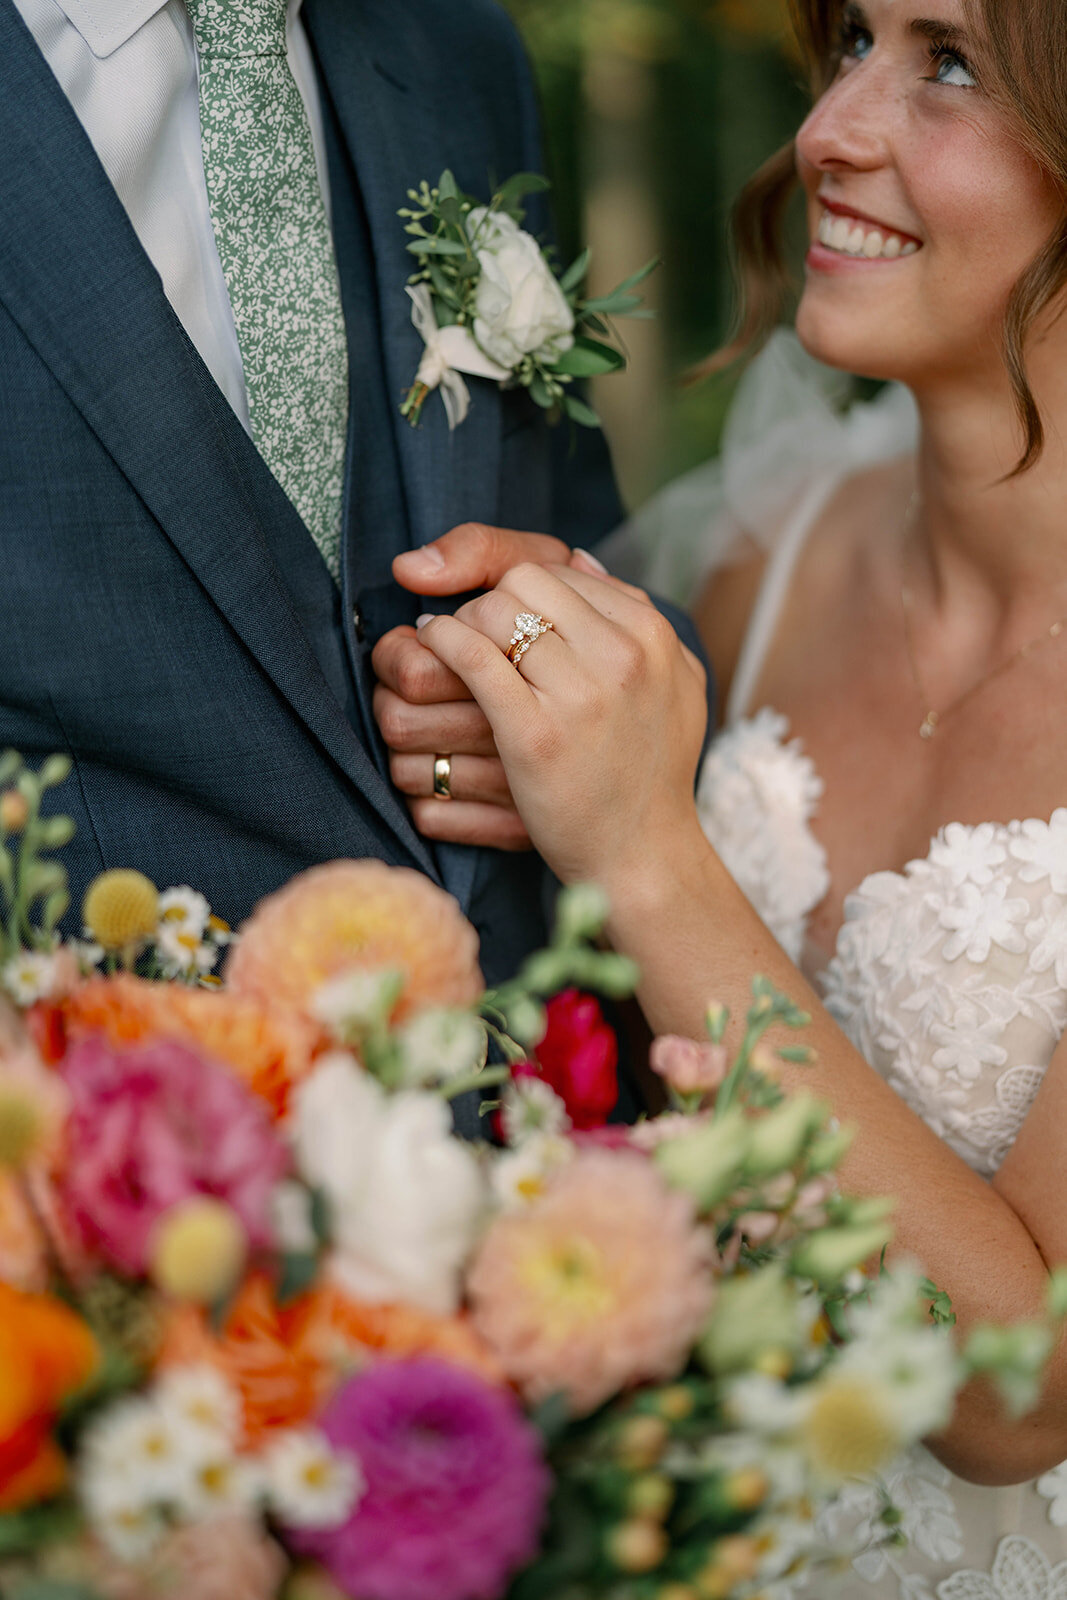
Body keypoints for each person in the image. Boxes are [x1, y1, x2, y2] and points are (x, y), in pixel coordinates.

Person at [387, 0, 1067, 1589]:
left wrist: (643, 847)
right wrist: (459, 710)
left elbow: (1016, 1388)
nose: (828, 130)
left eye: (948, 63)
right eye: (848, 44)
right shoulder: (746, 560)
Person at [0, 0, 645, 1057]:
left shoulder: (456, 52)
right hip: (128, 1144)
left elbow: (593, 549)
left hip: (533, 1136)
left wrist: (569, 696)